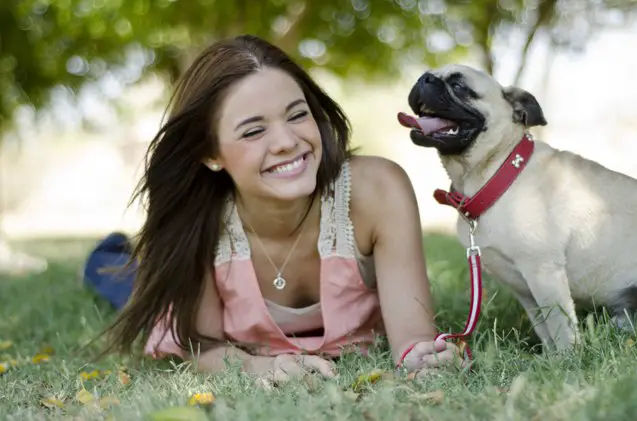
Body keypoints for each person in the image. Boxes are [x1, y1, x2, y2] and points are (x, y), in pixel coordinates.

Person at [95, 34, 463, 383]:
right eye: (253, 131)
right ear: (210, 153)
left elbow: (413, 340)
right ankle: (109, 252)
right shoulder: (198, 218)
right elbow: (200, 346)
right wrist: (259, 368)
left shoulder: (377, 191)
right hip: (169, 279)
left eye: (296, 115)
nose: (287, 142)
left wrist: (424, 359)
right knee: (123, 280)